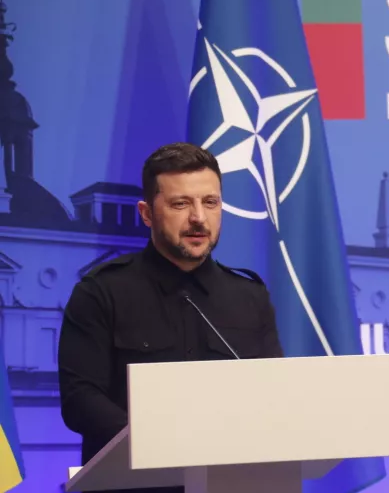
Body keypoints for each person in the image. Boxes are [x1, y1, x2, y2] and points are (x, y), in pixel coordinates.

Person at [57, 142, 283, 492]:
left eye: (210, 202)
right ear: (147, 214)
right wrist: (163, 444)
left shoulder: (250, 296)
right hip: (132, 485)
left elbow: (273, 393)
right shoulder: (100, 291)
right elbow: (80, 401)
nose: (198, 218)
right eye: (181, 204)